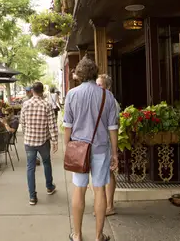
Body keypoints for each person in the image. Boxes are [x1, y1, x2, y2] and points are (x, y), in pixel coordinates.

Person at [63, 57, 118, 241]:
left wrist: (67, 148)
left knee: (79, 189)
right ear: (95, 74)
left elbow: (67, 126)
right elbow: (113, 128)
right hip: (101, 149)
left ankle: (77, 235)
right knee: (99, 189)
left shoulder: (72, 94)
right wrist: (115, 153)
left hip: (79, 149)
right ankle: (98, 236)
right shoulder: (107, 95)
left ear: (79, 74)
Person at [20, 82, 58, 206]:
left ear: (32, 91)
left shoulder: (26, 104)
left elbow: (23, 123)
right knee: (46, 163)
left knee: (30, 168)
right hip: (43, 141)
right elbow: (52, 125)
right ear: (42, 91)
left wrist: (27, 134)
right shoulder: (46, 105)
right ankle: (49, 187)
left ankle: (32, 197)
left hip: (29, 142)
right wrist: (55, 141)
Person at [96, 74, 120, 216]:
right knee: (102, 174)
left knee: (109, 173)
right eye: (96, 84)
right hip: (100, 142)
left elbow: (114, 126)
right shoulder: (100, 100)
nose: (97, 87)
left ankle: (109, 206)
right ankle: (103, 205)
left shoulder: (112, 102)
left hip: (108, 142)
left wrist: (114, 150)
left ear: (108, 87)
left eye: (100, 85)